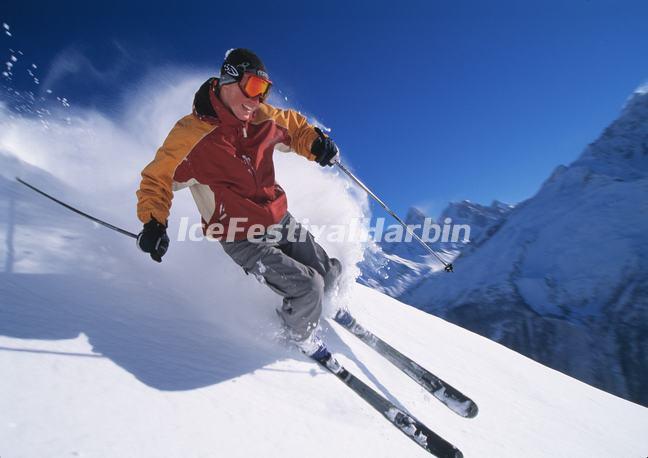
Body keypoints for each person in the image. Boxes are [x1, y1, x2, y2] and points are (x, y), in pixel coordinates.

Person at [135, 48, 342, 361]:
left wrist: (314, 143)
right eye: (253, 87)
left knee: (327, 274)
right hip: (240, 235)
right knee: (308, 287)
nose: (256, 99)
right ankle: (299, 336)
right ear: (227, 79)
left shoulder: (261, 118)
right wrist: (154, 222)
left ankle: (326, 305)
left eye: (264, 90)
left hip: (279, 218)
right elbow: (157, 179)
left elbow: (294, 127)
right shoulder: (191, 136)